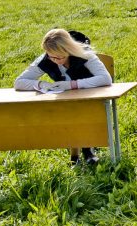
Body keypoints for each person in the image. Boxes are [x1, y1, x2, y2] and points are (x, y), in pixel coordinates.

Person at [14, 28, 113, 165]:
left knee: (81, 113)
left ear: (69, 50)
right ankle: (75, 155)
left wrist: (72, 85)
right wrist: (42, 84)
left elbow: (105, 79)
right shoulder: (46, 59)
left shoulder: (85, 55)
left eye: (60, 57)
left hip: (92, 100)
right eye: (52, 57)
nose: (56, 61)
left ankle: (87, 151)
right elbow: (19, 82)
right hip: (65, 102)